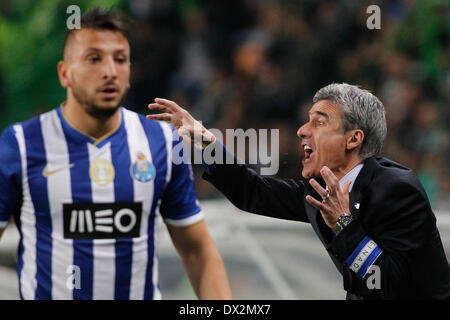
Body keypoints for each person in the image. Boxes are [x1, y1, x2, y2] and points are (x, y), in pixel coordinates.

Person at [0, 8, 231, 300]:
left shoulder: (161, 143)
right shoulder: (19, 146)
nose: (110, 70)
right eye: (94, 58)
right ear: (64, 73)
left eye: (119, 59)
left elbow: (198, 252)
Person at [147, 83, 450, 299]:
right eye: (307, 121)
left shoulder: (397, 190)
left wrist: (344, 224)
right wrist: (206, 143)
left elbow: (386, 284)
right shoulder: (320, 193)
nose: (302, 130)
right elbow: (252, 192)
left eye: (319, 122)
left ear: (353, 139)